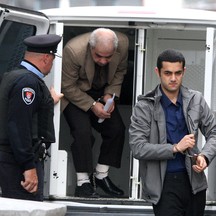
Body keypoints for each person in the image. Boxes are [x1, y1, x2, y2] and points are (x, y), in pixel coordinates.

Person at [129, 49, 216, 216]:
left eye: (178, 73)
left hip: (194, 182)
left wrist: (205, 156)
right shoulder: (144, 106)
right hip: (163, 185)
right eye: (167, 73)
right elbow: (137, 147)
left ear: (184, 72)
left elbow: (215, 133)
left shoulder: (196, 99)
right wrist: (174, 148)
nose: (173, 78)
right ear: (158, 72)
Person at [61, 28, 129, 198]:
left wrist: (109, 95)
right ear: (90, 48)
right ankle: (82, 182)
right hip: (75, 94)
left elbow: (120, 72)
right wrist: (92, 105)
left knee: (117, 129)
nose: (104, 61)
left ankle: (101, 175)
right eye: (99, 56)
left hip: (101, 92)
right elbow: (67, 86)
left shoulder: (124, 44)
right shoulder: (73, 50)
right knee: (83, 133)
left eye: (108, 57)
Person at [0, 34, 63, 201]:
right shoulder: (28, 83)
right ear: (45, 58)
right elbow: (19, 126)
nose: (51, 64)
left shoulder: (14, 76)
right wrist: (28, 166)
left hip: (12, 160)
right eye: (52, 59)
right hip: (17, 164)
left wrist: (48, 101)